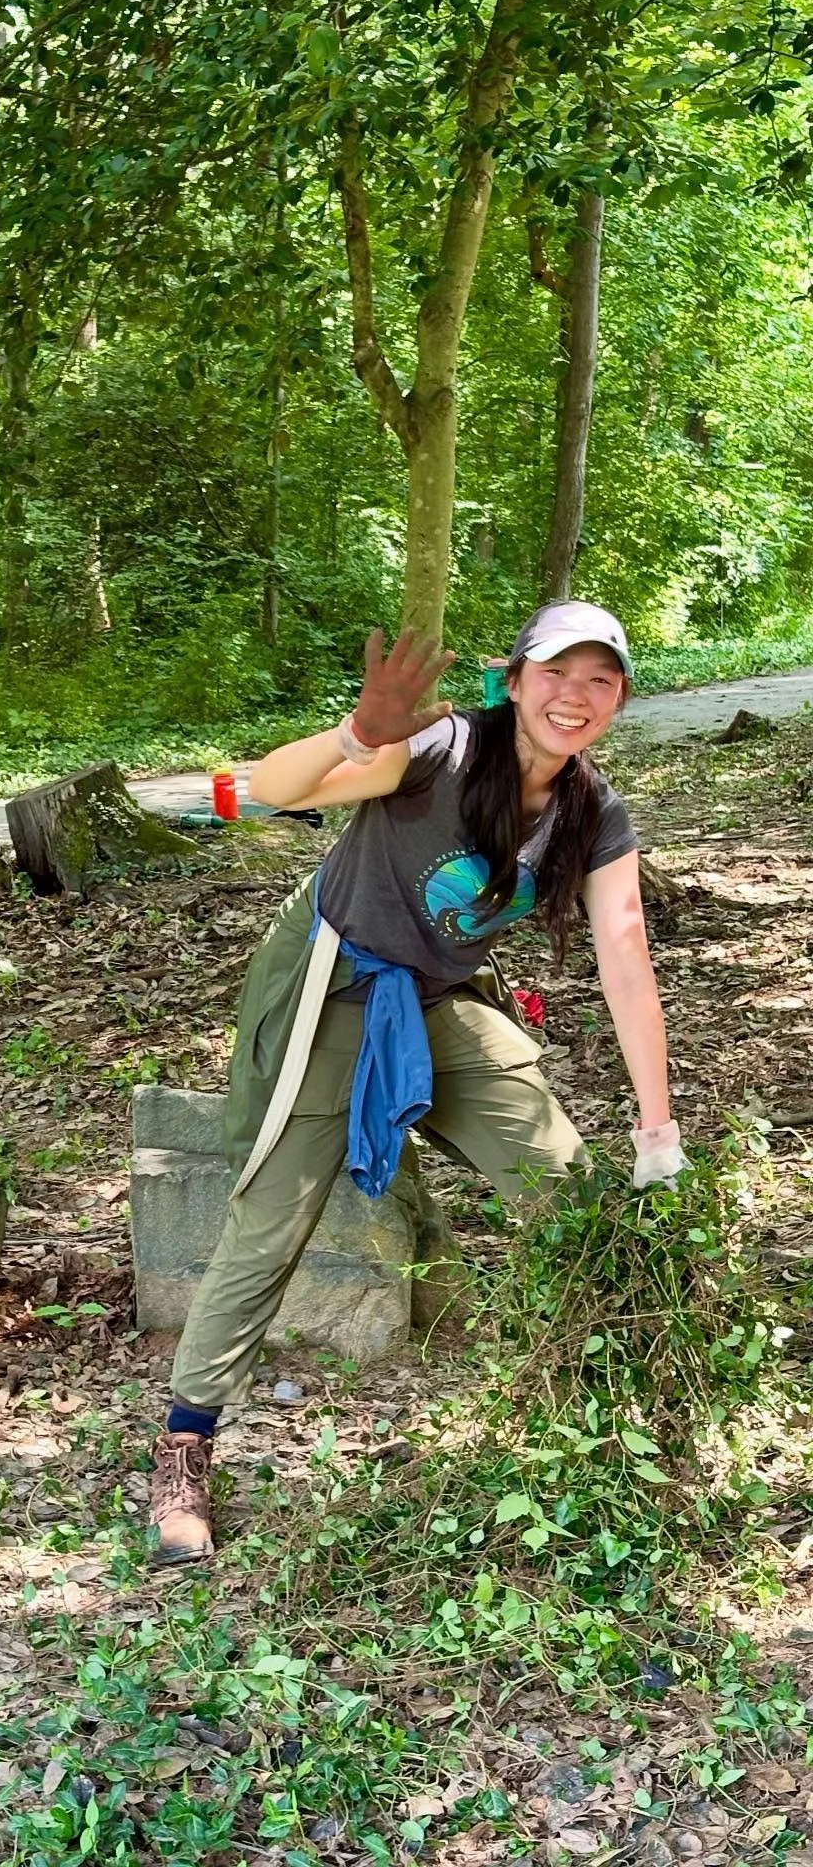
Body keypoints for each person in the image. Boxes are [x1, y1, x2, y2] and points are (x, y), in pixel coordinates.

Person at [149, 600, 691, 1566]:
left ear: (618, 701)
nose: (576, 697)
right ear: (516, 678)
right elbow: (272, 789)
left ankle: (613, 1407)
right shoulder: (443, 744)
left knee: (572, 1189)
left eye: (599, 680)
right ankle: (184, 1446)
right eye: (557, 674)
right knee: (275, 1216)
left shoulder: (591, 813)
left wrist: (657, 1130)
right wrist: (360, 731)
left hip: (441, 998)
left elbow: (625, 948)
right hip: (336, 981)